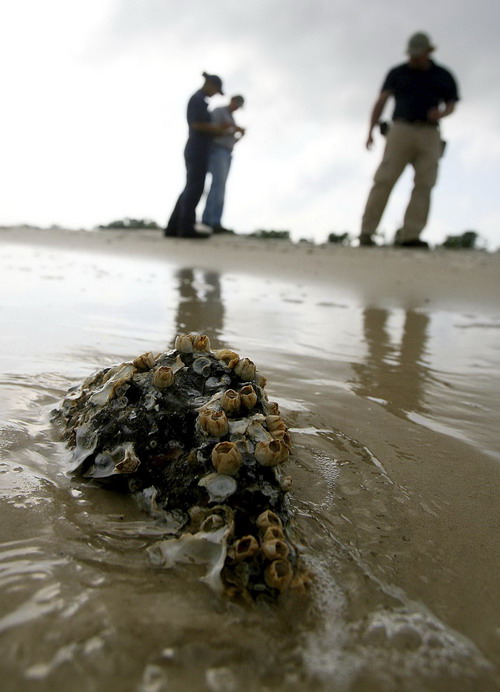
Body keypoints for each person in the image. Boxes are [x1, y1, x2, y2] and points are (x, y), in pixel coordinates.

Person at [359, 32, 459, 248]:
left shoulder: (443, 75)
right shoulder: (398, 73)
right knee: (384, 179)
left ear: (428, 52)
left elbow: (452, 104)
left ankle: (410, 236)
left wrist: (441, 113)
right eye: (412, 55)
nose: (414, 59)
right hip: (400, 130)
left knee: (425, 184)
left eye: (418, 55)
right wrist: (370, 131)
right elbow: (382, 101)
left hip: (430, 133)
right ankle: (366, 233)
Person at [165, 73, 231, 239]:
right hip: (197, 149)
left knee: (191, 187)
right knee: (195, 188)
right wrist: (218, 129)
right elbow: (196, 124)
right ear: (209, 84)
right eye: (215, 90)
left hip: (198, 148)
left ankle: (173, 227)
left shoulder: (201, 101)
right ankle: (186, 228)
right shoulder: (197, 100)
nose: (215, 94)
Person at [201, 95, 246, 233]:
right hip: (217, 150)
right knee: (217, 186)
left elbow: (231, 142)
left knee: (220, 187)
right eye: (236, 104)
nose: (237, 107)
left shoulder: (232, 118)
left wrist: (239, 135)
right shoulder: (220, 111)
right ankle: (211, 221)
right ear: (232, 100)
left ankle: (214, 220)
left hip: (227, 152)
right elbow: (211, 131)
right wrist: (227, 128)